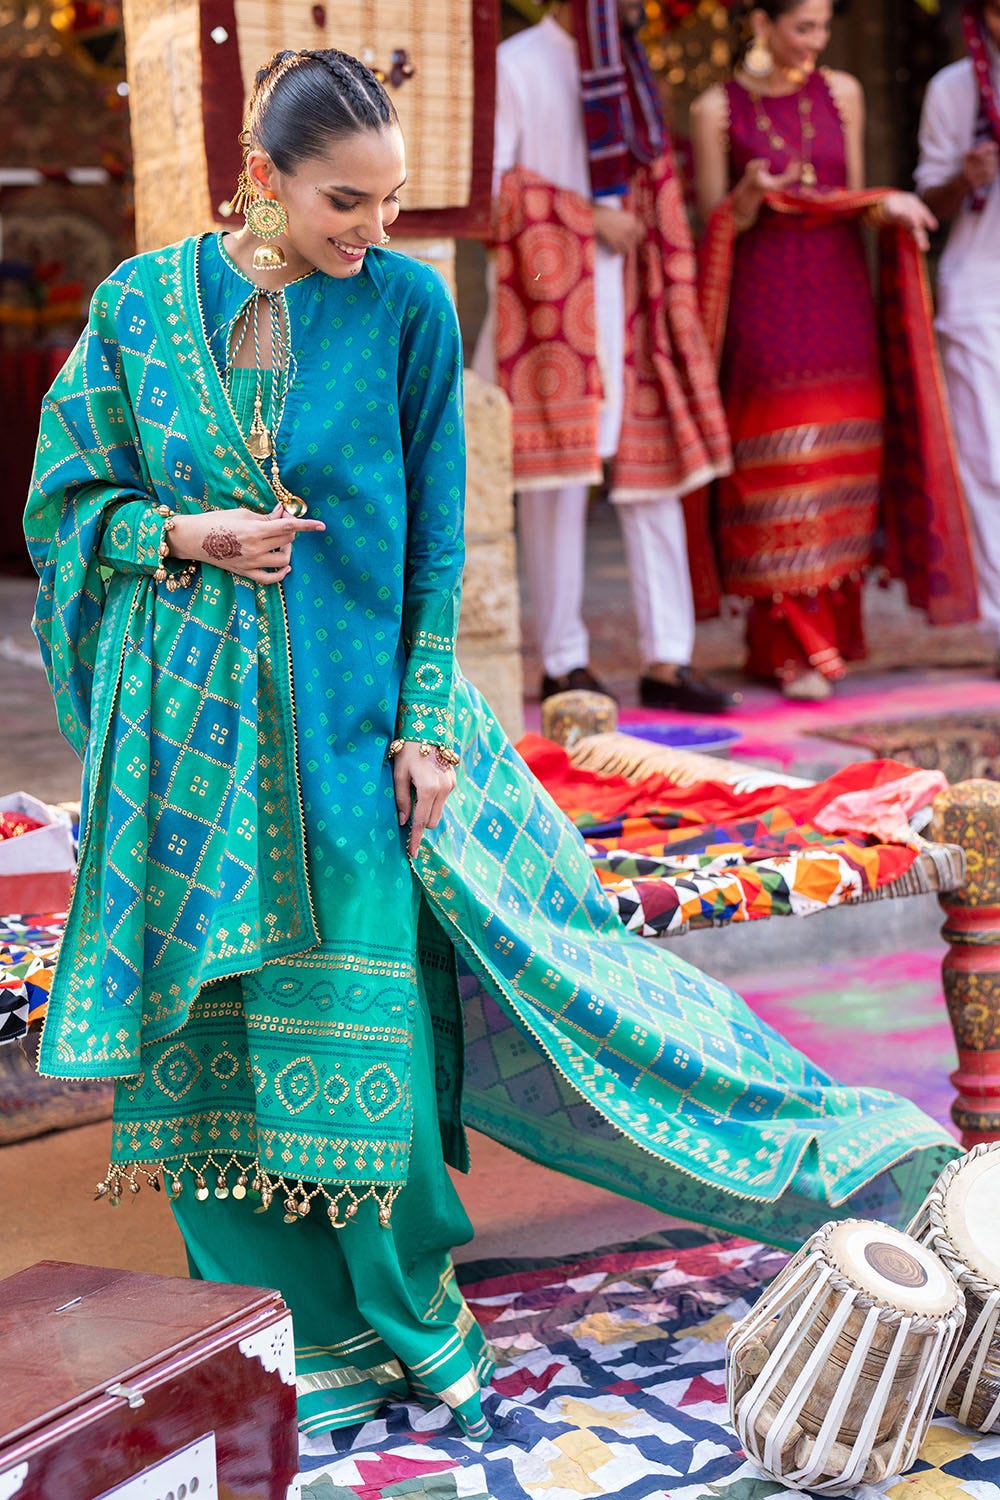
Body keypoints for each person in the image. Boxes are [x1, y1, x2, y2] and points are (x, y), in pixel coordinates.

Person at [26, 47, 960, 1443]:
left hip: (351, 737)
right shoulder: (141, 307)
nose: (374, 229)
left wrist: (423, 725)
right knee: (220, 1049)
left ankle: (412, 1313)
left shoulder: (403, 306)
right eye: (345, 202)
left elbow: (432, 543)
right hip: (195, 751)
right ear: (265, 178)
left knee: (375, 1056)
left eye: (391, 201)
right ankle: (286, 1334)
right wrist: (189, 534)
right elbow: (65, 503)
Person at [690, 0, 977, 700]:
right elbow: (713, 222)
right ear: (763, 23)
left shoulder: (841, 92)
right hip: (763, 302)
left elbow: (844, 197)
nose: (815, 42)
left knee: (842, 456)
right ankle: (786, 649)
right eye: (802, 28)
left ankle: (830, 637)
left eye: (822, 27)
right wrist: (747, 197)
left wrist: (889, 203)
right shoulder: (714, 110)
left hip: (838, 298)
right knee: (773, 462)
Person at [473, 0, 738, 712]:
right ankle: (565, 662)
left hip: (632, 299)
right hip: (547, 310)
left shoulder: (627, 67)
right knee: (557, 490)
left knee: (654, 480)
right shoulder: (516, 65)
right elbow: (488, 192)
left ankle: (668, 659)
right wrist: (591, 218)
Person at [917, 0, 1000, 669]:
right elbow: (929, 205)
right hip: (979, 291)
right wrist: (963, 179)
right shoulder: (953, 90)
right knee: (989, 463)